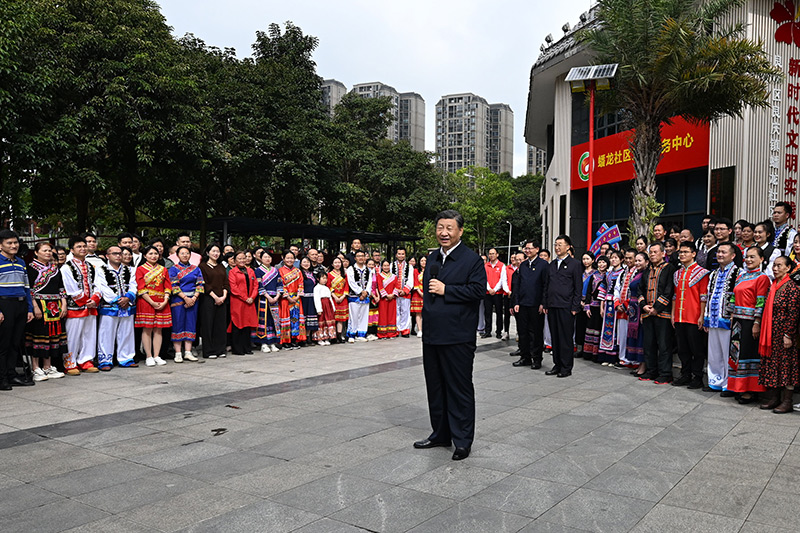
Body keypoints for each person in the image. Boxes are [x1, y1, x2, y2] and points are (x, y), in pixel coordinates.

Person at [414, 210, 485, 461]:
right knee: (435, 387)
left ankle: (462, 441)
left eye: (449, 228)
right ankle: (440, 434)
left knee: (459, 388)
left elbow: (478, 290)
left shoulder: (471, 260)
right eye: (440, 227)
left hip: (458, 336)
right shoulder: (433, 257)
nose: (444, 232)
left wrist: (448, 290)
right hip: (432, 335)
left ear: (460, 231)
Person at [727, 246, 771, 403]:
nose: (749, 260)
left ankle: (750, 390)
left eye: (753, 257)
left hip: (750, 321)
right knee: (736, 353)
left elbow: (761, 301)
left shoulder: (762, 278)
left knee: (748, 354)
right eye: (747, 257)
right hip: (737, 321)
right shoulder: (741, 276)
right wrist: (731, 314)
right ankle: (736, 386)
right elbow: (733, 296)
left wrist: (757, 322)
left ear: (762, 259)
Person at [758, 256, 800, 413]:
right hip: (772, 332)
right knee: (773, 365)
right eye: (774, 266)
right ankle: (774, 398)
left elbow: (793, 313)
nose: (775, 269)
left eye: (779, 266)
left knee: (787, 366)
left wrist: (788, 334)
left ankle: (787, 401)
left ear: (788, 268)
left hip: (784, 333)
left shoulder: (792, 287)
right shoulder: (773, 285)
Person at [25, 242, 67, 381]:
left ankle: (47, 366)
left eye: (49, 250)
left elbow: (61, 287)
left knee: (51, 336)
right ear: (36, 253)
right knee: (38, 335)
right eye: (44, 250)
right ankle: (35, 368)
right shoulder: (31, 268)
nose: (48, 253)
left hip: (54, 306)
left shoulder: (54, 268)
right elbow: (29, 289)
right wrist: (35, 306)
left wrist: (64, 304)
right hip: (39, 305)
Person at [543, 235, 583, 378]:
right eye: (556, 244)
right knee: (555, 337)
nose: (557, 247)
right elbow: (546, 286)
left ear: (568, 247)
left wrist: (575, 307)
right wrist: (545, 303)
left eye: (560, 244)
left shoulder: (575, 264)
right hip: (552, 305)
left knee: (565, 338)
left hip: (566, 306)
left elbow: (578, 287)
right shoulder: (552, 265)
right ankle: (557, 364)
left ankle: (566, 367)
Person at [61, 235, 102, 374]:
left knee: (89, 334)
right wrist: (85, 300)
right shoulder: (66, 267)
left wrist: (95, 298)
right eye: (79, 246)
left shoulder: (91, 266)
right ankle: (70, 363)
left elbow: (98, 284)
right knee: (73, 336)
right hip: (75, 306)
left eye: (84, 246)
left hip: (91, 306)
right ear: (72, 250)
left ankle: (86, 360)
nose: (83, 249)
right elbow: (70, 288)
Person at [0, 230, 35, 390]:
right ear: (1, 245)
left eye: (15, 242)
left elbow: (27, 287)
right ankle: (2, 378)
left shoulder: (21, 262)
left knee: (16, 342)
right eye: (9, 243)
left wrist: (29, 308)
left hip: (21, 305)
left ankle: (12, 374)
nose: (14, 246)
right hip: (4, 304)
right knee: (4, 343)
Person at [703, 243, 740, 392]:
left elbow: (737, 295)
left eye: (724, 252)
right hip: (713, 318)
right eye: (718, 252)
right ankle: (715, 381)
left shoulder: (739, 272)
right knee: (714, 353)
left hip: (727, 319)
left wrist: (733, 314)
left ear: (733, 255)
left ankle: (728, 384)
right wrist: (706, 317)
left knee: (727, 353)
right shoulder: (713, 274)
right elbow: (709, 295)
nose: (720, 255)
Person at [671, 241, 709, 388]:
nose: (682, 255)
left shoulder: (702, 273)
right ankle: (685, 374)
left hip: (694, 317)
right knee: (683, 349)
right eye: (680, 252)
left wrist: (702, 316)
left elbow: (703, 296)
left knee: (696, 349)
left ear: (693, 254)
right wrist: (673, 314)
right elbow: (675, 296)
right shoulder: (677, 273)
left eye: (686, 252)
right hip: (680, 316)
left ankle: (697, 377)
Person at [94, 245, 138, 370]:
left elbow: (133, 285)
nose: (118, 256)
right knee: (106, 334)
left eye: (120, 253)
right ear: (107, 256)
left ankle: (126, 358)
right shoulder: (101, 269)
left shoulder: (130, 269)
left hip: (127, 306)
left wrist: (128, 297)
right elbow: (102, 286)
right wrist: (117, 300)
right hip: (110, 307)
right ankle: (105, 360)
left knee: (127, 333)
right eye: (115, 253)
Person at [637, 242, 676, 384]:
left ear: (663, 253)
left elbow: (669, 290)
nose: (652, 254)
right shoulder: (647, 270)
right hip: (647, 313)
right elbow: (640, 289)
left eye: (655, 252)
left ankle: (665, 373)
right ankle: (651, 370)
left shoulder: (669, 269)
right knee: (649, 344)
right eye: (651, 252)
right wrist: (644, 306)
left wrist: (656, 308)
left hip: (663, 313)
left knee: (664, 345)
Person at [510, 239, 548, 369]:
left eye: (529, 248)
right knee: (523, 332)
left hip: (536, 305)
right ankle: (525, 357)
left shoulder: (543, 265)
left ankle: (536, 359)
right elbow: (518, 285)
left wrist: (543, 303)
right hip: (522, 304)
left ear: (537, 249)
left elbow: (545, 285)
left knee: (535, 333)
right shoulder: (523, 265)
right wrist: (516, 302)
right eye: (525, 248)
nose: (527, 250)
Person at [135, 245, 172, 366]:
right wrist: (151, 302)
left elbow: (167, 286)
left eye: (155, 253)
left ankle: (157, 355)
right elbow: (141, 288)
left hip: (162, 301)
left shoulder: (163, 269)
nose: (153, 256)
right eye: (150, 254)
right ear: (145, 256)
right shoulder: (140, 269)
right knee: (147, 329)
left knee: (159, 329)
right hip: (146, 301)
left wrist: (165, 300)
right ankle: (148, 356)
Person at [168, 246, 204, 363]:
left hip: (193, 300)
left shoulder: (196, 269)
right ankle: (178, 353)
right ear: (177, 255)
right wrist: (185, 298)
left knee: (191, 324)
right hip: (178, 300)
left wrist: (194, 298)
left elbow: (200, 284)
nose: (185, 255)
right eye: (182, 253)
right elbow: (174, 286)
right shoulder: (173, 269)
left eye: (187, 253)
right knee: (178, 324)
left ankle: (188, 352)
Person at [616, 252, 647, 375]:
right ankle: (638, 364)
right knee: (634, 336)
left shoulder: (645, 274)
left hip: (640, 307)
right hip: (633, 308)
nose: (637, 263)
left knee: (641, 337)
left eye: (640, 261)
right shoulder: (637, 274)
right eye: (637, 261)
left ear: (646, 262)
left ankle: (643, 365)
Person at [198, 244, 229, 359]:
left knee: (220, 324)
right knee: (208, 324)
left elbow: (225, 283)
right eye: (213, 251)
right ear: (207, 252)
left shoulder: (221, 266)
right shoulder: (202, 266)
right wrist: (215, 297)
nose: (216, 253)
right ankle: (209, 350)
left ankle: (220, 349)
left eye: (218, 251)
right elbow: (204, 284)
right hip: (208, 299)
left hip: (222, 298)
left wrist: (223, 296)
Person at [228, 251, 258, 355]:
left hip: (250, 301)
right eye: (239, 259)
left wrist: (252, 297)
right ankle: (237, 349)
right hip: (238, 301)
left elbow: (255, 285)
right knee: (238, 324)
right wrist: (245, 298)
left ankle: (247, 347)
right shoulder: (232, 272)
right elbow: (234, 288)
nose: (242, 260)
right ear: (235, 260)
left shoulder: (250, 271)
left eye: (243, 258)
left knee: (247, 324)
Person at [598, 250, 624, 365]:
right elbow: (603, 290)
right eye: (612, 258)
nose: (613, 260)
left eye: (616, 258)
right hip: (607, 303)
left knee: (616, 330)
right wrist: (601, 307)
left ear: (621, 260)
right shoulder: (608, 274)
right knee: (606, 330)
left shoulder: (623, 273)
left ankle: (614, 357)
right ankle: (606, 355)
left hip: (617, 303)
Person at [253, 250, 282, 353]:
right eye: (265, 257)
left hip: (274, 298)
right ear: (261, 258)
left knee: (274, 320)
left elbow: (279, 284)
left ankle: (272, 342)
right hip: (263, 298)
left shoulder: (275, 270)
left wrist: (277, 296)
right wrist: (267, 296)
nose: (267, 259)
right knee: (263, 320)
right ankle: (263, 343)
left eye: (269, 257)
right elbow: (259, 285)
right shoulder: (258, 271)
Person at [613, 249, 637, 367]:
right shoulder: (623, 272)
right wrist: (617, 303)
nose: (628, 260)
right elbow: (617, 288)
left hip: (633, 308)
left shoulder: (637, 272)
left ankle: (633, 359)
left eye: (630, 258)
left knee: (632, 334)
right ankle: (623, 358)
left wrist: (625, 304)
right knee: (622, 335)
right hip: (621, 309)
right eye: (626, 258)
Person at [278, 251, 306, 349]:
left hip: (296, 298)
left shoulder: (298, 271)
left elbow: (301, 284)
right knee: (287, 318)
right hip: (286, 299)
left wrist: (297, 296)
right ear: (283, 258)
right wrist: (288, 297)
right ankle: (286, 340)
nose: (290, 260)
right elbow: (281, 285)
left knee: (296, 318)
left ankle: (295, 339)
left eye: (292, 258)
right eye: (288, 258)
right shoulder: (280, 271)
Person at [583, 255, 608, 362]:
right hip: (593, 305)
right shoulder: (594, 276)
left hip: (603, 306)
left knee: (599, 329)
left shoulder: (609, 275)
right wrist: (587, 306)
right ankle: (588, 353)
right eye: (599, 262)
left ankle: (597, 354)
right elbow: (588, 292)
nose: (601, 264)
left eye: (603, 262)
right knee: (590, 329)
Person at [346, 250, 373, 342]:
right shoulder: (351, 269)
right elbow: (351, 282)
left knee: (364, 316)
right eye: (358, 256)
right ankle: (352, 334)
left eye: (362, 256)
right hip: (354, 296)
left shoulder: (368, 269)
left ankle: (361, 334)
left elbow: (370, 283)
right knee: (353, 315)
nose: (360, 258)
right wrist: (360, 292)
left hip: (365, 296)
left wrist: (366, 292)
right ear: (355, 258)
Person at [482, 248, 507, 340]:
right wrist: (489, 288)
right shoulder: (486, 266)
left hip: (498, 293)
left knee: (499, 313)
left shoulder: (502, 265)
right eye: (490, 254)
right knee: (487, 312)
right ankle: (487, 331)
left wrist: (495, 289)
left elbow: (502, 279)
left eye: (493, 253)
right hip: (487, 292)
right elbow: (484, 278)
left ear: (497, 255)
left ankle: (499, 332)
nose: (491, 255)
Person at [575, 252, 595, 358]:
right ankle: (579, 348)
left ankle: (588, 349)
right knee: (579, 326)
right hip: (579, 301)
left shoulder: (596, 273)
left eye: (588, 259)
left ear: (593, 260)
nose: (585, 261)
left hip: (591, 302)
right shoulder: (579, 272)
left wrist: (587, 302)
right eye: (583, 259)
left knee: (589, 326)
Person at [391, 247, 414, 337]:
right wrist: (395, 291)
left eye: (402, 254)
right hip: (395, 293)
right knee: (395, 311)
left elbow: (411, 280)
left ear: (405, 255)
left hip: (405, 293)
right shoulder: (391, 265)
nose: (401, 256)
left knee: (405, 311)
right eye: (399, 254)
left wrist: (405, 290)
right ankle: (396, 329)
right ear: (396, 255)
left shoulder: (409, 267)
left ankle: (405, 330)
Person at [327, 257, 349, 344]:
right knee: (333, 317)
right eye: (335, 263)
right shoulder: (329, 275)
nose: (337, 264)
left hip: (343, 298)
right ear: (332, 264)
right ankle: (333, 335)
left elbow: (346, 286)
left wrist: (343, 296)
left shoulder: (344, 274)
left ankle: (339, 335)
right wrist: (335, 296)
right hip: (333, 298)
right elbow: (328, 286)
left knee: (341, 318)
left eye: (339, 262)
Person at [377, 259, 399, 339]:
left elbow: (397, 286)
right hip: (384, 299)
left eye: (387, 265)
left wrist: (392, 294)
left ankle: (391, 333)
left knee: (392, 315)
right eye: (384, 266)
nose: (386, 267)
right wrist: (386, 295)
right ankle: (382, 334)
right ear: (382, 267)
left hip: (392, 298)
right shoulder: (379, 276)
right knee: (383, 315)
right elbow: (380, 286)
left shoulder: (394, 276)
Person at [313, 270, 336, 345]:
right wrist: (319, 309)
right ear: (318, 279)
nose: (325, 280)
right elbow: (316, 299)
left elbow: (330, 298)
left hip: (328, 306)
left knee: (328, 321)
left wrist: (333, 307)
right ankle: (320, 338)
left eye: (326, 278)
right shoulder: (317, 288)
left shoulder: (327, 288)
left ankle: (327, 337)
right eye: (323, 278)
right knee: (321, 321)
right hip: (322, 305)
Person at [299, 256, 318, 346]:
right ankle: (302, 338)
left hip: (312, 298)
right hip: (303, 298)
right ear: (300, 264)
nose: (306, 264)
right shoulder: (299, 273)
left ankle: (308, 336)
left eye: (307, 262)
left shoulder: (313, 274)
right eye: (304, 262)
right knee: (304, 318)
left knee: (311, 318)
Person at [411, 255, 426, 338]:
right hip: (418, 293)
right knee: (418, 312)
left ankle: (426, 329)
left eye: (425, 260)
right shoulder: (416, 271)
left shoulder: (429, 270)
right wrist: (420, 292)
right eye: (422, 261)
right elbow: (415, 282)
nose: (423, 262)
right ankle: (420, 330)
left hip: (427, 293)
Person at [366, 258, 380, 340]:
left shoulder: (375, 273)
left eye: (372, 264)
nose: (371, 266)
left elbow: (376, 286)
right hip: (369, 296)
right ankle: (369, 332)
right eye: (369, 264)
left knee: (375, 315)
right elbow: (368, 287)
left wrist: (378, 296)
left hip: (375, 296)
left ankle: (374, 332)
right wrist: (374, 296)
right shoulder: (366, 274)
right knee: (369, 315)